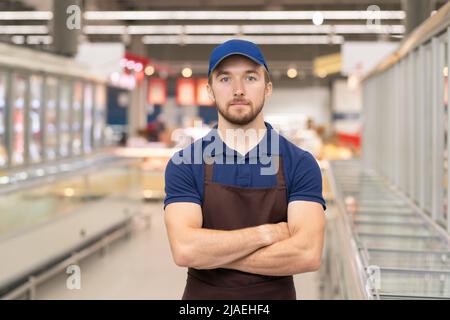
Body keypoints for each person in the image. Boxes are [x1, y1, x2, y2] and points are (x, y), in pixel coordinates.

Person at [164, 39, 326, 300]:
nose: (238, 90)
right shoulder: (185, 163)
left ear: (268, 88)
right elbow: (185, 249)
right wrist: (267, 233)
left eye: (250, 78)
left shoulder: (300, 163)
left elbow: (307, 253)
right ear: (210, 90)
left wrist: (214, 253)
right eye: (225, 79)